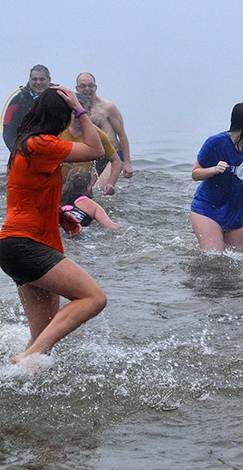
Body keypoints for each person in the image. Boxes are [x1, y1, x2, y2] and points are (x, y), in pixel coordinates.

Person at [0, 86, 107, 364]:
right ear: (62, 118)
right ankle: (28, 356)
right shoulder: (41, 144)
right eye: (69, 116)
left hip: (17, 246)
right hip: (27, 244)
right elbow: (96, 149)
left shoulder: (28, 144)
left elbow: (25, 191)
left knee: (43, 337)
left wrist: (59, 213)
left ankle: (20, 377)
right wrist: (81, 110)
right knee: (94, 298)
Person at [190, 102, 243, 252]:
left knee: (238, 262)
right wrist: (213, 169)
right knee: (214, 257)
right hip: (208, 209)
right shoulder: (215, 143)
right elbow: (195, 173)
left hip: (235, 213)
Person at [58, 92, 122, 195]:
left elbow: (116, 161)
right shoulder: (59, 130)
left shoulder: (97, 134)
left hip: (82, 189)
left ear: (90, 113)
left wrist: (111, 184)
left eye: (82, 114)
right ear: (69, 113)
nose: (78, 117)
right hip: (58, 185)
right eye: (75, 113)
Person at [75, 72, 133, 179]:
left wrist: (127, 163)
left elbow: (122, 135)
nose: (87, 89)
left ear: (95, 87)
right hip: (91, 157)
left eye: (91, 85)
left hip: (112, 156)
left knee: (99, 189)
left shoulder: (108, 107)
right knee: (88, 191)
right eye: (83, 86)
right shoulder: (73, 110)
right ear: (77, 88)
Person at [3, 65, 52, 153]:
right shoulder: (18, 100)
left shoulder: (59, 98)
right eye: (34, 79)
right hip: (24, 150)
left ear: (49, 80)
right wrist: (17, 151)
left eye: (42, 79)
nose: (38, 82)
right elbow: (7, 131)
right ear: (29, 80)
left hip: (52, 149)